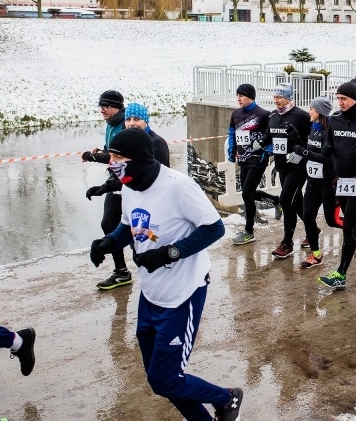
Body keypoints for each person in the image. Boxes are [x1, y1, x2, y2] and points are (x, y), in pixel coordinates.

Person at [88, 128, 243, 421]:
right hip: (150, 292)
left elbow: (214, 228)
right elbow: (130, 226)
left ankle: (227, 397)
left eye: (118, 157)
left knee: (166, 379)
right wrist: (109, 242)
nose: (112, 163)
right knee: (159, 378)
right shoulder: (130, 187)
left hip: (183, 292)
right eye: (111, 156)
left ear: (139, 160)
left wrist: (168, 253)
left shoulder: (179, 187)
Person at [317, 82, 356, 290]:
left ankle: (341, 275)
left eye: (344, 98)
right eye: (338, 98)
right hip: (342, 180)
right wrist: (327, 150)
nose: (340, 102)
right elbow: (328, 142)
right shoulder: (335, 119)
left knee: (348, 227)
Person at [82, 90, 131, 290]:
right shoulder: (111, 124)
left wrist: (93, 157)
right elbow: (110, 151)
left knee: (140, 227)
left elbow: (116, 156)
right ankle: (121, 271)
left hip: (130, 180)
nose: (102, 110)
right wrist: (100, 151)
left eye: (106, 106)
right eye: (100, 106)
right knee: (108, 224)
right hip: (115, 178)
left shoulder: (125, 126)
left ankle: (154, 264)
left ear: (117, 108)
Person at [260, 83, 311, 258]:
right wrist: (260, 142)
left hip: (297, 167)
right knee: (296, 203)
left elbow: (311, 141)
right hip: (281, 166)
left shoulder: (301, 116)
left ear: (289, 98)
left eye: (280, 97)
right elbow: (269, 135)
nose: (276, 101)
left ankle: (287, 243)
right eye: (274, 97)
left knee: (285, 201)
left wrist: (301, 151)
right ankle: (313, 230)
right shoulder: (273, 115)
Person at [226, 84, 280, 244]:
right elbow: (232, 133)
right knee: (248, 192)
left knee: (246, 194)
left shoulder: (263, 114)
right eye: (237, 95)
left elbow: (271, 135)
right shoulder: (235, 114)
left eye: (241, 95)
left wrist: (267, 151)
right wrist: (232, 151)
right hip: (243, 159)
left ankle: (249, 231)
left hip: (258, 159)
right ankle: (276, 201)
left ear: (250, 96)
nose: (238, 98)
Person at [293, 97, 340, 269]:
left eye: (311, 109)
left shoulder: (329, 131)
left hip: (328, 182)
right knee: (308, 217)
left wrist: (305, 153)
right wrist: (297, 141)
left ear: (320, 111)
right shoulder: (314, 128)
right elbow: (309, 150)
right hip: (313, 181)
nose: (308, 111)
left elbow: (329, 160)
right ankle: (316, 254)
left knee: (332, 221)